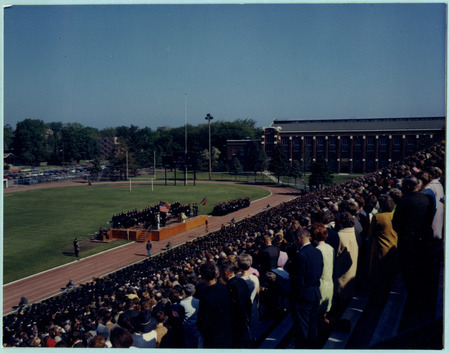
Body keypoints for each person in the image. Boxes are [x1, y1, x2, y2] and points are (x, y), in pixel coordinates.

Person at [286, 227, 323, 349]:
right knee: (313, 326)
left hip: (303, 296)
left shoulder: (300, 255)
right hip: (315, 293)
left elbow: (299, 280)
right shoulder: (317, 252)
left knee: (302, 329)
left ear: (299, 239)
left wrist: (296, 299)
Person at [368, 194, 398, 299]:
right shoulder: (395, 214)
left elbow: (370, 233)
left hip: (381, 248)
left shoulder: (377, 217)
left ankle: (382, 296)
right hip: (394, 246)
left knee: (382, 275)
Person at [196, 262, 232, 348]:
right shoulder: (224, 288)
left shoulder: (205, 298)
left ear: (203, 277)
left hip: (214, 338)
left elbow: (202, 323)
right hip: (227, 333)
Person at [219, 260, 252, 348]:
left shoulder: (229, 287)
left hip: (236, 323)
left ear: (225, 273)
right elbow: (248, 300)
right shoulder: (241, 281)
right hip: (245, 318)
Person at [333, 211, 359, 316]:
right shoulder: (355, 232)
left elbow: (335, 254)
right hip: (353, 269)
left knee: (341, 300)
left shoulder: (340, 235)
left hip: (341, 272)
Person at [310, 222, 334, 324]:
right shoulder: (330, 248)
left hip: (321, 286)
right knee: (324, 314)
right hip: (329, 284)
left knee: (318, 317)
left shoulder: (316, 251)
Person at [180, 283, 202, 348]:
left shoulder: (182, 302)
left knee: (188, 343)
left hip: (186, 326)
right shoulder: (198, 301)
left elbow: (181, 316)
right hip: (196, 326)